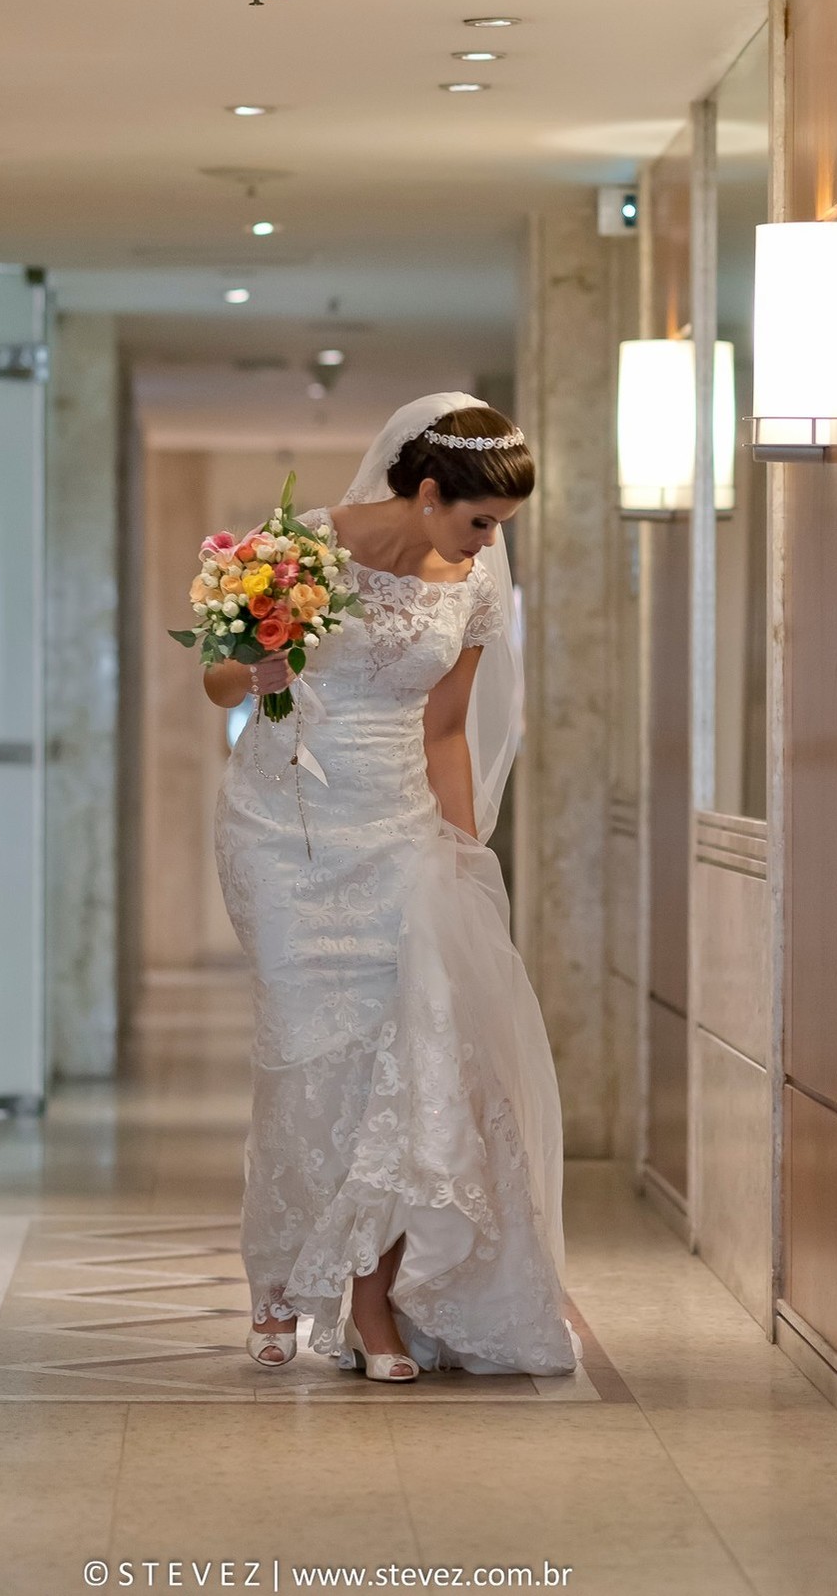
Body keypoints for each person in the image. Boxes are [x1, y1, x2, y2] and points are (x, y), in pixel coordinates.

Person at [201, 393, 581, 1383]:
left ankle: (373, 1305)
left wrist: (460, 850)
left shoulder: (472, 585)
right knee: (302, 1058)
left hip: (400, 833)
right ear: (427, 492)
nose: (490, 544)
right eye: (481, 522)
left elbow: (447, 730)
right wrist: (259, 666)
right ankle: (275, 1282)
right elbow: (218, 682)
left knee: (401, 1065)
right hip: (284, 831)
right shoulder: (299, 549)